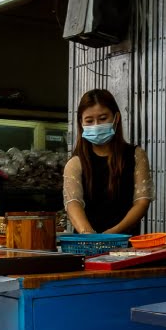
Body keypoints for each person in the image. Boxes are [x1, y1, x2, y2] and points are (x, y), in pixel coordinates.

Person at [64, 89, 154, 234]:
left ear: (116, 118)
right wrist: (89, 235)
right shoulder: (75, 162)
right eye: (89, 121)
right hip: (86, 246)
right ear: (81, 123)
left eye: (103, 118)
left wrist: (113, 233)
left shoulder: (136, 155)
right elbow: (73, 203)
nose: (96, 125)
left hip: (126, 245)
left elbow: (142, 201)